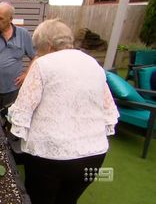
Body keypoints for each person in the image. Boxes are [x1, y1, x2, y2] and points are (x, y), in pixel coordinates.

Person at [7, 19, 119, 204]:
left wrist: (10, 114)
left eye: (38, 49)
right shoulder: (92, 63)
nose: (37, 54)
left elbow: (22, 110)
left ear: (49, 46)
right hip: (93, 156)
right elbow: (107, 108)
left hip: (49, 156)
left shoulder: (43, 64)